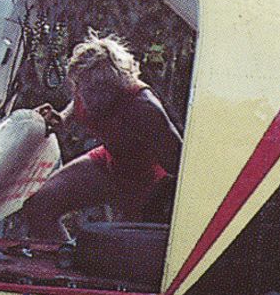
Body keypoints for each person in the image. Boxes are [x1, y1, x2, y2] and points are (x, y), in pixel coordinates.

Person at [22, 31, 182, 241]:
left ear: (115, 84)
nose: (85, 96)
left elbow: (179, 165)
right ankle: (62, 257)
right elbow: (76, 105)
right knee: (39, 206)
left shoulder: (143, 106)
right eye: (81, 89)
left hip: (145, 181)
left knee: (122, 250)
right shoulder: (86, 86)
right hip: (108, 161)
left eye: (94, 90)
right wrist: (60, 119)